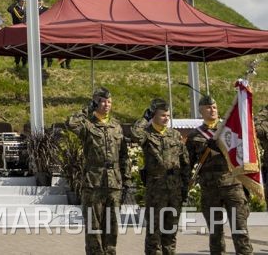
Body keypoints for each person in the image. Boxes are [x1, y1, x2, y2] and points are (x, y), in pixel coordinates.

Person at [66, 87, 130, 255]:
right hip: (93, 182)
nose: (106, 104)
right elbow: (70, 123)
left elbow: (124, 156)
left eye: (109, 101)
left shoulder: (116, 126)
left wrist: (127, 180)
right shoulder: (87, 125)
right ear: (95, 102)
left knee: (112, 225)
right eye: (102, 101)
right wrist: (86, 109)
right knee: (94, 226)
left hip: (114, 183)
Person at [186, 95, 253, 255]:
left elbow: (242, 153)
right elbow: (187, 163)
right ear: (201, 111)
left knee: (240, 231)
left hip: (233, 186)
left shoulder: (229, 130)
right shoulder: (195, 135)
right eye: (208, 108)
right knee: (215, 234)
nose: (212, 110)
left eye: (214, 107)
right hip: (210, 189)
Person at [130, 98, 189, 255]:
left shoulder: (175, 135)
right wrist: (145, 118)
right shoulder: (147, 135)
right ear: (154, 116)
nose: (166, 118)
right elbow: (135, 134)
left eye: (168, 115)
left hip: (175, 189)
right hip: (156, 190)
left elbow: (185, 163)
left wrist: (185, 187)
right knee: (154, 232)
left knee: (171, 232)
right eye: (162, 115)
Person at [8, 0, 27, 68]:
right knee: (17, 47)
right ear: (19, 1)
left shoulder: (26, 9)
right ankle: (17, 62)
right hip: (16, 31)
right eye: (22, 1)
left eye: (24, 1)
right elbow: (9, 9)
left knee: (25, 47)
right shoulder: (14, 9)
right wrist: (15, 2)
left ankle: (24, 63)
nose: (23, 2)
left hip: (25, 30)